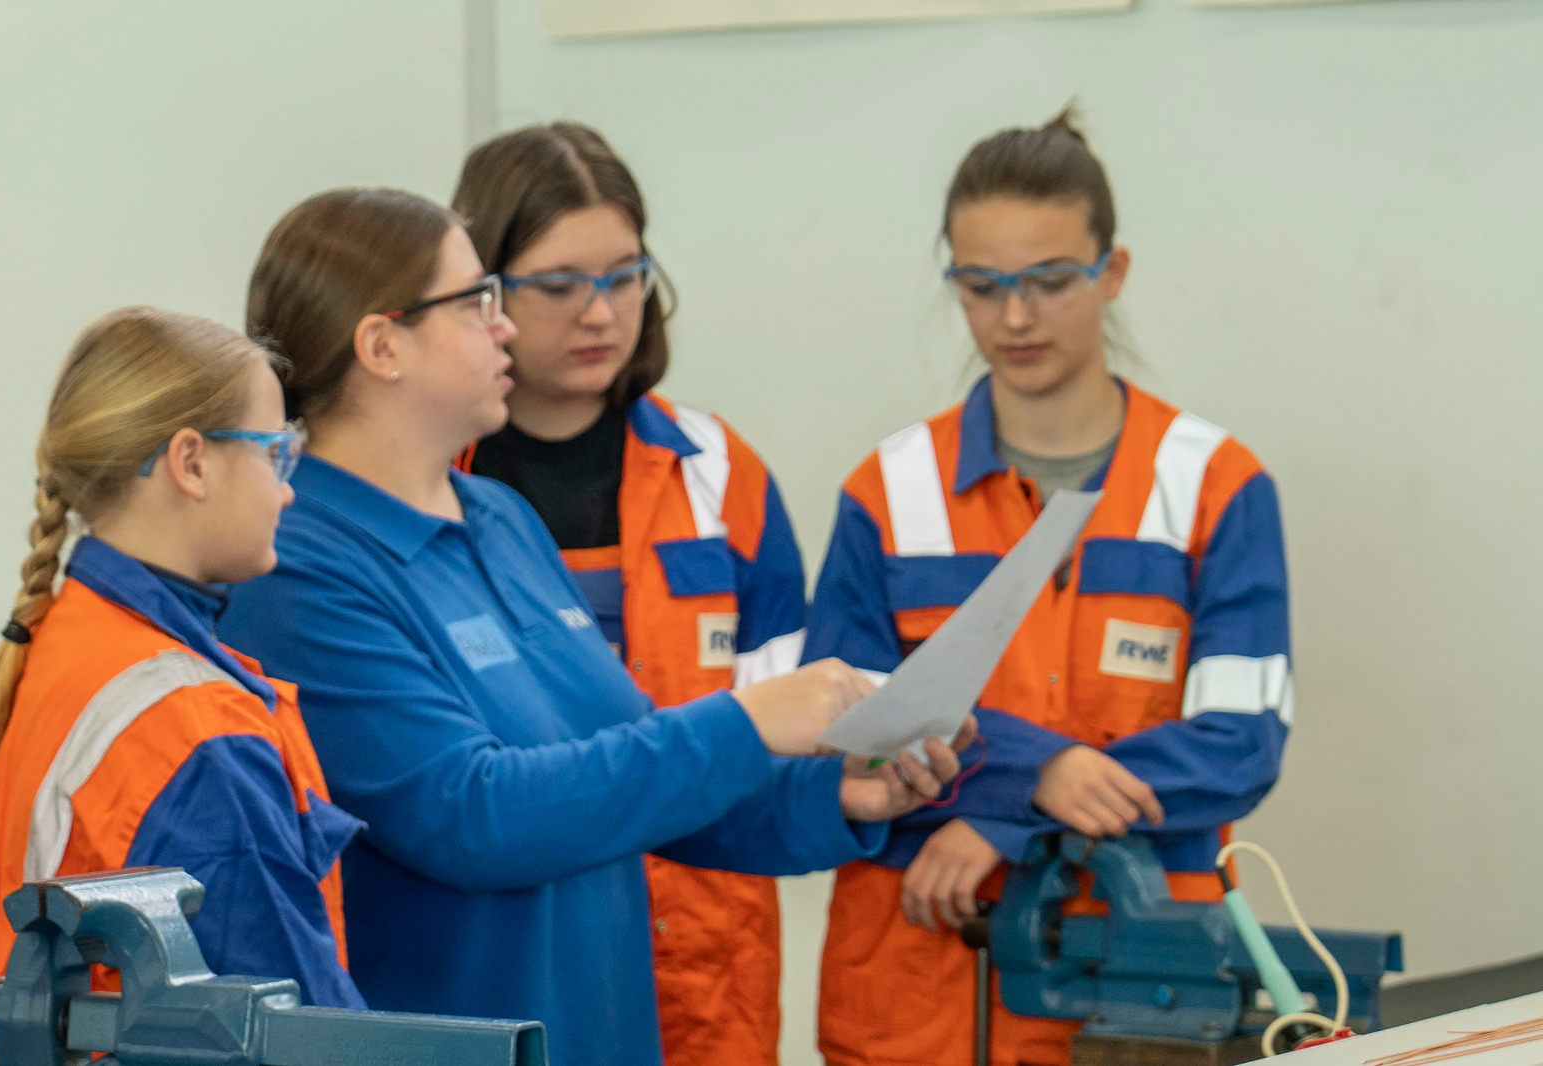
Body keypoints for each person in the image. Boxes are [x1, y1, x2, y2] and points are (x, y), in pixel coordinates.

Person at [218, 186, 969, 1066]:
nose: (504, 327)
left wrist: (835, 795)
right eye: (476, 303)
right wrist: (749, 721)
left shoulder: (497, 517)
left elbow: (627, 772)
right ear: (383, 346)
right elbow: (471, 813)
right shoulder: (298, 562)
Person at [805, 108, 1292, 1066]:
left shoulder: (1214, 486)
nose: (1015, 318)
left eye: (1049, 282)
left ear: (1113, 274)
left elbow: (1240, 741)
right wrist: (1045, 773)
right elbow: (847, 730)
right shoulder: (888, 493)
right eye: (982, 287)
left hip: (1137, 983)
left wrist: (1007, 809)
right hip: (923, 984)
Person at [449, 122, 806, 1066]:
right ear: (481, 294)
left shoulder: (720, 474)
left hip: (711, 956)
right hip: (520, 943)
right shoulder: (429, 487)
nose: (602, 312)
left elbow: (780, 733)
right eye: (561, 285)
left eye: (626, 275)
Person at [0, 307, 365, 1027]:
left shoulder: (51, 646)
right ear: (191, 462)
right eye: (274, 453)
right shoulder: (193, 734)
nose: (287, 488)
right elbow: (296, 1031)